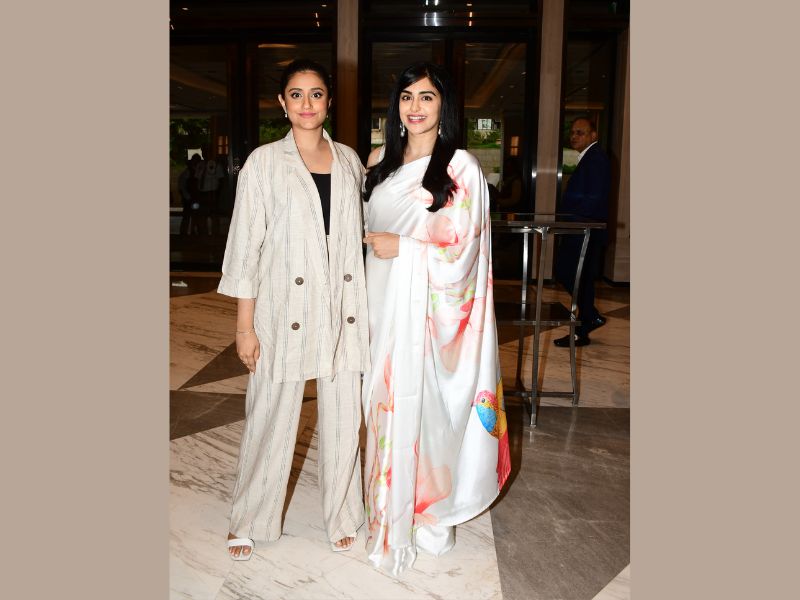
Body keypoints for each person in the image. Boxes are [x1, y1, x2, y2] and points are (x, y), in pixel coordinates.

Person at [361, 62, 511, 576]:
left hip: (431, 309)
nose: (416, 107)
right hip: (381, 301)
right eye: (407, 96)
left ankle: (431, 509)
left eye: (427, 96)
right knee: (384, 400)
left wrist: (405, 247)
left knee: (427, 403)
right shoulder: (378, 162)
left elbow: (466, 247)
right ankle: (388, 503)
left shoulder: (460, 166)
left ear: (443, 105)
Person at [217, 59, 370, 560]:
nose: (307, 103)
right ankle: (249, 518)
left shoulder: (349, 161)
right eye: (297, 94)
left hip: (343, 307)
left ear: (329, 101)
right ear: (282, 103)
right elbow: (246, 248)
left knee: (344, 418)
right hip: (283, 308)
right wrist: (245, 327)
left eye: (316, 93)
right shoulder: (263, 163)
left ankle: (343, 514)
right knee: (270, 417)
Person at [553, 116, 611, 347]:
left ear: (593, 135)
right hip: (581, 230)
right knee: (579, 279)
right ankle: (585, 326)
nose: (574, 136)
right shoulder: (590, 158)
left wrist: (573, 220)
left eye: (580, 132)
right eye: (573, 132)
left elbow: (594, 198)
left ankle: (589, 317)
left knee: (568, 273)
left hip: (583, 231)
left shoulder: (595, 158)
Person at [178, 154, 202, 236]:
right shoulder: (187, 172)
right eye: (196, 160)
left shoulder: (196, 171)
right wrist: (187, 197)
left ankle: (192, 232)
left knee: (195, 216)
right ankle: (184, 233)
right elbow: (182, 186)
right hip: (189, 198)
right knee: (187, 216)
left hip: (194, 198)